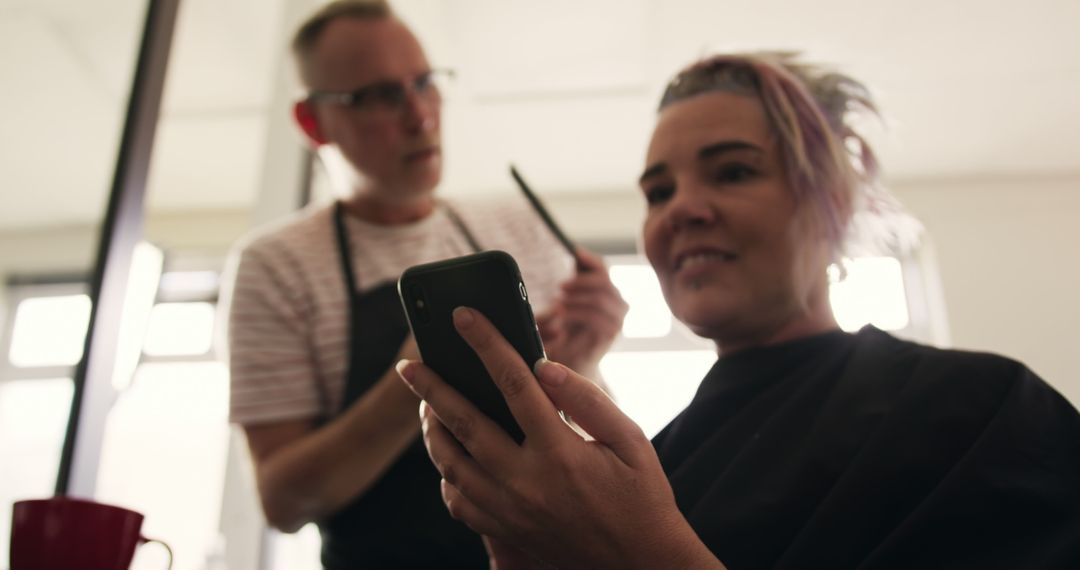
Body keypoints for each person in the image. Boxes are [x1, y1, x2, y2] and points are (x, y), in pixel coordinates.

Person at [397, 52, 1080, 569]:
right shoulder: (653, 467)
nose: (682, 210)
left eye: (733, 171)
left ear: (830, 203)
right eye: (658, 192)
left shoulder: (982, 408)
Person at [222, 1, 627, 567]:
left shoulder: (517, 228)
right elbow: (284, 501)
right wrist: (414, 379)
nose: (420, 116)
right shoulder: (276, 265)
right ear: (314, 123)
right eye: (380, 96)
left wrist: (581, 363)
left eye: (425, 83)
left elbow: (586, 452)